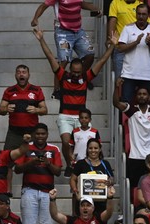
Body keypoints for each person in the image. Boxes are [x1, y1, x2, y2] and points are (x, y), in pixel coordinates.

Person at [33, 26, 115, 175]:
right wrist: (41, 40)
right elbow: (50, 56)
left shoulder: (86, 77)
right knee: (65, 142)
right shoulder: (63, 76)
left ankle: (81, 167)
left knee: (85, 145)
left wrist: (113, 46)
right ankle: (71, 164)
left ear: (82, 71)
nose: (77, 75)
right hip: (65, 116)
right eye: (74, 72)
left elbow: (102, 61)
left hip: (81, 118)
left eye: (79, 72)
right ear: (70, 70)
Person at [15, 123, 63, 224]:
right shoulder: (26, 148)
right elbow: (17, 169)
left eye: (43, 133)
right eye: (37, 133)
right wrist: (30, 163)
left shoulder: (54, 149)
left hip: (47, 191)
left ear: (47, 134)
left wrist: (48, 163)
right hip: (29, 190)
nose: (40, 136)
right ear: (34, 134)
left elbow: (58, 171)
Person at [113, 83, 150, 188]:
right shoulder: (132, 110)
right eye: (139, 94)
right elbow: (116, 103)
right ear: (136, 97)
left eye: (144, 94)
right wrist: (117, 87)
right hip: (136, 156)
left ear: (148, 97)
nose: (142, 96)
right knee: (135, 188)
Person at [116, 3, 150, 103]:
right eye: (139, 14)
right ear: (136, 14)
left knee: (145, 105)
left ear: (148, 15)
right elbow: (120, 48)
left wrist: (149, 43)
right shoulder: (128, 28)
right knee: (126, 104)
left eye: (143, 14)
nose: (141, 16)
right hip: (129, 75)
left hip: (147, 74)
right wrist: (136, 42)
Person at [0, 65, 47, 151]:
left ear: (28, 75)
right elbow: (0, 110)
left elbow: (45, 110)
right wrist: (6, 109)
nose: (21, 74)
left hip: (32, 133)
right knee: (7, 159)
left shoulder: (37, 90)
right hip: (14, 133)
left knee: (33, 160)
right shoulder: (9, 90)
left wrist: (36, 110)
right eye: (18, 72)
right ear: (15, 75)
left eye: (24, 72)